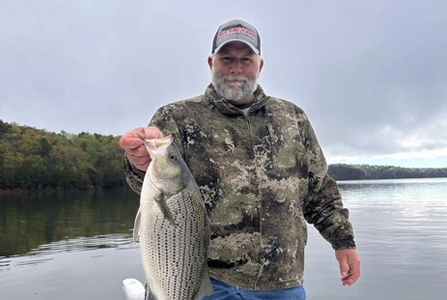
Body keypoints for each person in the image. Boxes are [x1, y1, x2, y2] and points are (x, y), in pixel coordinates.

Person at [119, 19, 360, 300]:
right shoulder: (177, 117)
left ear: (259, 65)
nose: (236, 68)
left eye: (246, 59)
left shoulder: (293, 118)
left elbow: (319, 190)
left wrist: (344, 242)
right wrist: (138, 161)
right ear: (211, 63)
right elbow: (151, 184)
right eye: (226, 58)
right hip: (205, 280)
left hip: (282, 282)